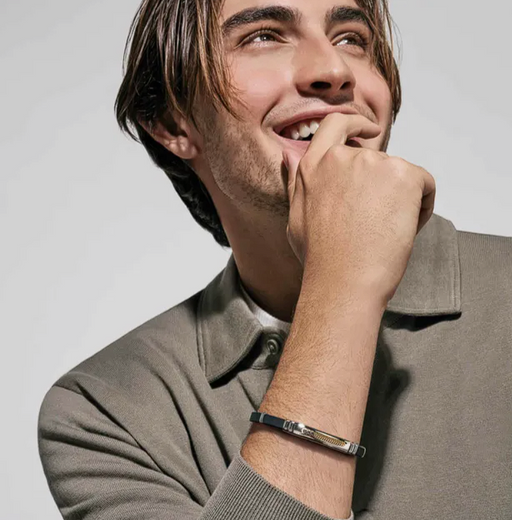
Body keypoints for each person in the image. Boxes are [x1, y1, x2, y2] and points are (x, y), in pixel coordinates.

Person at [38, 0, 512, 518]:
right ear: (174, 121)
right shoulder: (106, 413)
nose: (333, 69)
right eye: (263, 36)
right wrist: (343, 286)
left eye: (351, 38)